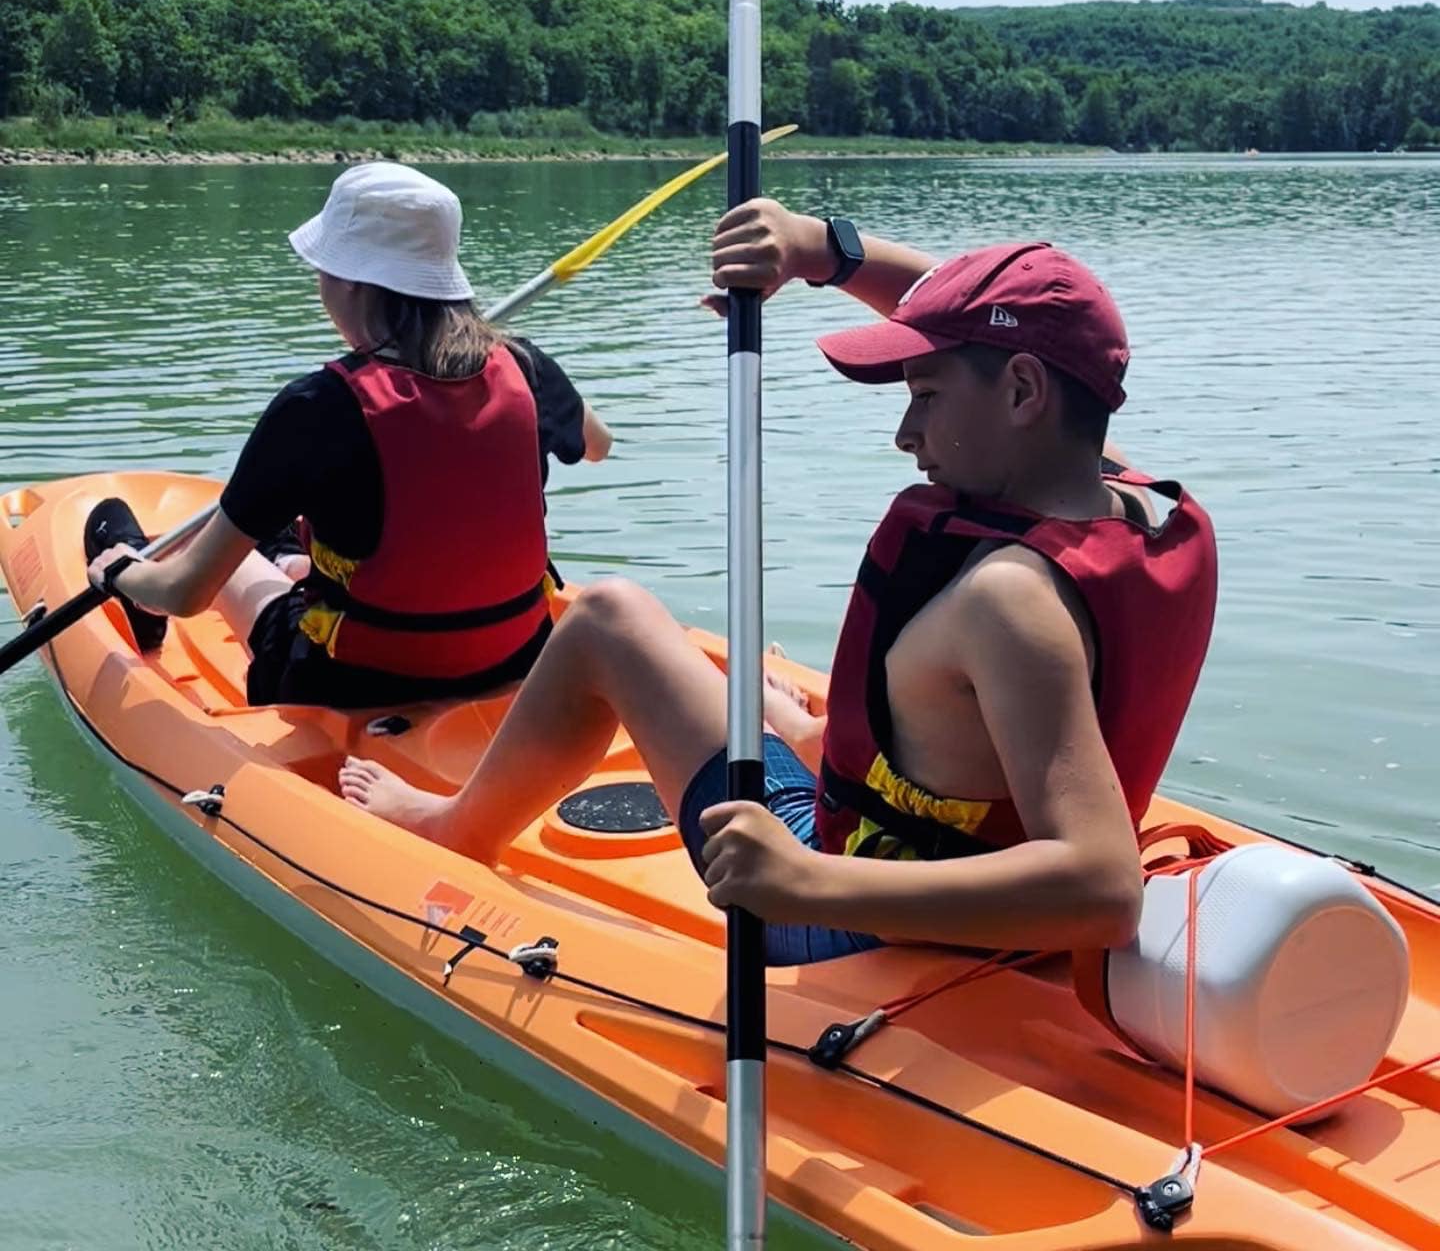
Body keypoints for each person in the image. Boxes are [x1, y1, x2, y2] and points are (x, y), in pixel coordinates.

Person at [338, 198, 1217, 962]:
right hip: (947, 846)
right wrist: (817, 251)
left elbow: (1103, 889)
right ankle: (803, 728)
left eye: (926, 395)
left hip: (854, 914)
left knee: (608, 616)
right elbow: (989, 320)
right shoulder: (1134, 500)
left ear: (1025, 391)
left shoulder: (1011, 601)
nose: (905, 435)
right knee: (769, 698)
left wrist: (803, 881)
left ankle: (450, 828)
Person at [86, 162, 612, 709]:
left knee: (226, 560)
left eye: (322, 269)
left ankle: (141, 599)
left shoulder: (315, 407)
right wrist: (536, 374)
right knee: (321, 549)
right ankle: (293, 559)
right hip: (516, 656)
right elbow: (598, 445)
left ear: (353, 280)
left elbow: (187, 593)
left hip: (352, 680)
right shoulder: (525, 367)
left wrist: (122, 573)